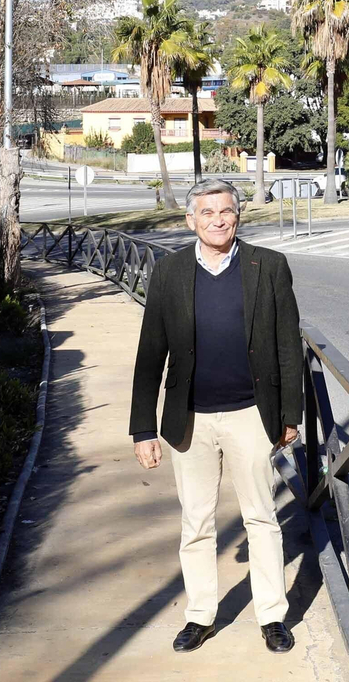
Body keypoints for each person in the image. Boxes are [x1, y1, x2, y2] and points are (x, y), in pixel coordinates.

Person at [130, 178, 303, 655]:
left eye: (225, 211)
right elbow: (151, 354)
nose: (218, 220)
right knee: (197, 522)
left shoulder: (268, 266)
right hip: (190, 420)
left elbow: (288, 343)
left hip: (251, 414)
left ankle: (272, 616)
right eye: (206, 213)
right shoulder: (168, 272)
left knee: (262, 519)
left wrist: (291, 413)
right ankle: (201, 616)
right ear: (191, 220)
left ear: (238, 215)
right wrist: (143, 428)